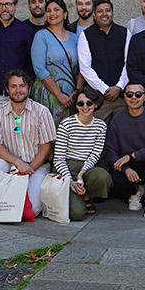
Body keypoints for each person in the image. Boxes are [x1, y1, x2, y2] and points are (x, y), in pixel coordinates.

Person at [0, 70, 57, 208]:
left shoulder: (41, 111)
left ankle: (13, 200)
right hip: (10, 163)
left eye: (22, 86)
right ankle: (8, 199)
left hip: (37, 166)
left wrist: (28, 169)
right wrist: (17, 162)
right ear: (7, 89)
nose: (18, 90)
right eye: (13, 86)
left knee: (33, 208)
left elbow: (46, 148)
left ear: (29, 88)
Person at [104, 81, 145, 217]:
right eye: (130, 94)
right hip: (129, 168)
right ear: (125, 97)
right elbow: (110, 151)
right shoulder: (117, 120)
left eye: (138, 94)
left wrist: (132, 156)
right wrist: (126, 168)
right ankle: (135, 192)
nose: (134, 97)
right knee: (115, 177)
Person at [52, 86, 112, 219]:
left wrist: (81, 175)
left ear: (96, 105)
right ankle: (80, 196)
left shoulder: (101, 126)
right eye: (80, 103)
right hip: (65, 166)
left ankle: (86, 194)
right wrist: (71, 181)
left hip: (86, 167)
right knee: (77, 215)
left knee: (103, 177)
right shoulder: (66, 124)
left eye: (89, 103)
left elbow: (95, 155)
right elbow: (58, 159)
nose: (85, 106)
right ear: (76, 105)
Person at [78, 0, 129, 119]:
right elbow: (85, 68)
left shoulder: (125, 33)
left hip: (121, 97)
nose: (104, 14)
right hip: (98, 99)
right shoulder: (86, 36)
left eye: (107, 10)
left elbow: (129, 63)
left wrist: (119, 87)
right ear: (94, 15)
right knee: (97, 135)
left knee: (121, 135)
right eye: (100, 11)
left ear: (113, 13)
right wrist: (105, 89)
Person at [30, 0, 79, 118]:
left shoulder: (75, 37)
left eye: (56, 9)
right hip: (48, 95)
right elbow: (39, 68)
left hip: (71, 97)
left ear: (65, 13)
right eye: (49, 10)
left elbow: (82, 67)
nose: (52, 13)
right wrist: (58, 94)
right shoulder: (41, 36)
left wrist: (77, 92)